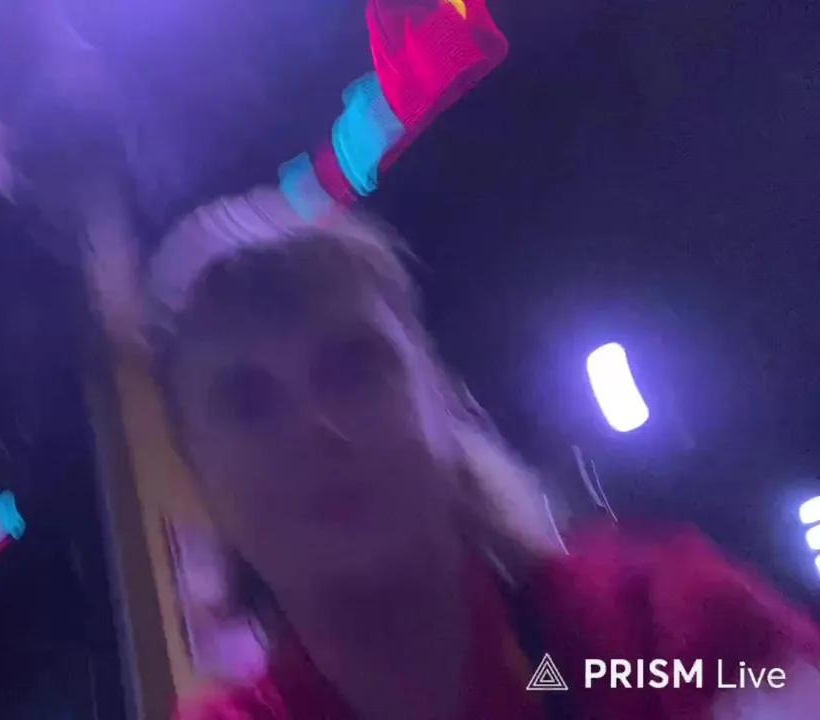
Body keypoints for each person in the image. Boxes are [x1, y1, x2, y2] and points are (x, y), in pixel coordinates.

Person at [144, 190, 820, 720]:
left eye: (355, 367)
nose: (313, 428)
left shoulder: (661, 627)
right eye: (247, 402)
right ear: (197, 472)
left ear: (441, 398)